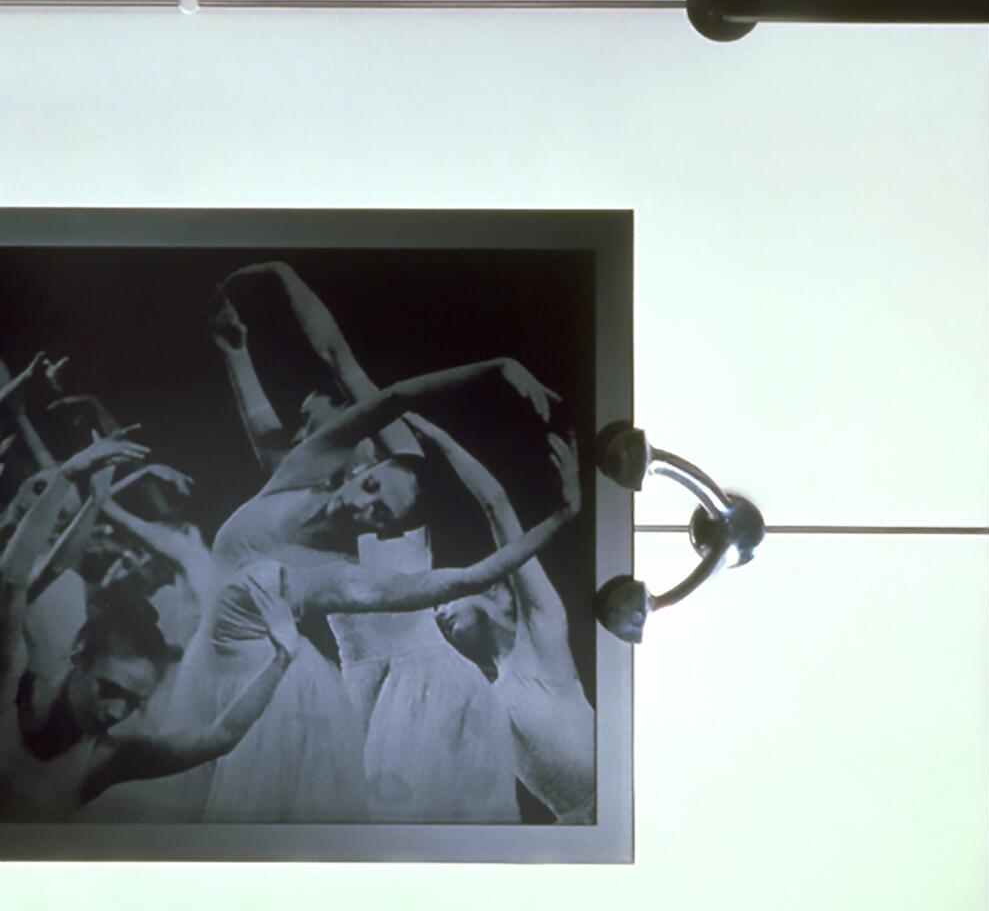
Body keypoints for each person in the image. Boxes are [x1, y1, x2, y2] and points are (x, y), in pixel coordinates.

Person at [180, 346, 577, 823]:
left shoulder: (400, 482)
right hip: (359, 680)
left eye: (312, 420)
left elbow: (343, 358)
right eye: (303, 424)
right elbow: (265, 424)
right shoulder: (312, 485)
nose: (302, 432)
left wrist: (456, 421)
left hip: (423, 680)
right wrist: (238, 347)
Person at [0, 451, 300, 822]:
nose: (116, 713)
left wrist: (283, 657)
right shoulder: (12, 692)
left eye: (131, 701)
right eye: (109, 689)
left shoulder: (108, 758)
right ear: (79, 653)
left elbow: (219, 738)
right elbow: (12, 582)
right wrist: (66, 477)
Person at [426, 425, 596, 823]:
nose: (437, 613)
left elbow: (494, 505)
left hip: (617, 804)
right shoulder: (483, 690)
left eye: (446, 598)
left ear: (494, 589)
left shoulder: (542, 634)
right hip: (574, 828)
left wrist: (441, 438)